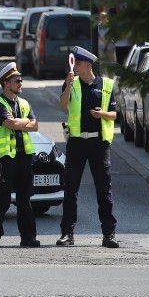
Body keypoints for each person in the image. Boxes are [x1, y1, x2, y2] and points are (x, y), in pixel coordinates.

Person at [57, 46, 119, 248]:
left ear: (87, 65)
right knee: (70, 189)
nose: (74, 65)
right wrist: (67, 85)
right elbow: (62, 105)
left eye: (78, 62)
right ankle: (67, 233)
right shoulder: (72, 83)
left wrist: (102, 114)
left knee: (104, 190)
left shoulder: (106, 85)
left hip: (98, 143)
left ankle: (109, 234)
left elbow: (114, 115)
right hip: (76, 142)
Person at [0, 62, 41, 248]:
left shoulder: (24, 104)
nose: (20, 83)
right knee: (2, 200)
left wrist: (21, 122)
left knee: (25, 201)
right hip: (5, 159)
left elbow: (35, 126)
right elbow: (11, 125)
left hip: (24, 158)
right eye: (17, 81)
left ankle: (28, 237)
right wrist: (25, 121)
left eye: (21, 80)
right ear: (6, 83)